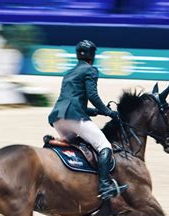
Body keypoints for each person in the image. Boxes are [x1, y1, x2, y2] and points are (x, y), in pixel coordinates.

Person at [48, 40, 128, 200]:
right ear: (92, 56)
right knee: (104, 145)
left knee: (73, 142)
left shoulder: (69, 73)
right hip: (74, 118)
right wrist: (109, 112)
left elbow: (72, 100)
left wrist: (96, 112)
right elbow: (92, 95)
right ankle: (105, 185)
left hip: (57, 118)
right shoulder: (90, 70)